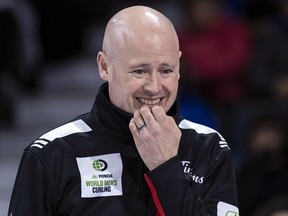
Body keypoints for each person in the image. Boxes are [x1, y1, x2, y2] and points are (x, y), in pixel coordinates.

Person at [8, 5, 239, 216]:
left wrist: (165, 166)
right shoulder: (51, 155)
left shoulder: (209, 147)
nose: (154, 87)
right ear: (104, 66)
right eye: (139, 71)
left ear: (179, 66)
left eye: (166, 70)